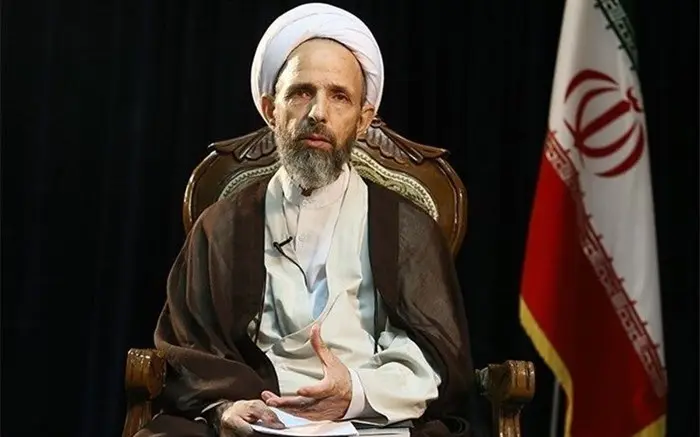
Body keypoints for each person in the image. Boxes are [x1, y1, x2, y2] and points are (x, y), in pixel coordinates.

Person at [135, 3, 476, 437]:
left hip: (371, 422)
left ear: (363, 120)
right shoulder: (222, 225)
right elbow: (189, 349)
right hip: (257, 418)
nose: (318, 112)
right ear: (270, 109)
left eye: (339, 96)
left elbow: (438, 358)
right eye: (300, 93)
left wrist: (355, 393)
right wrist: (225, 408)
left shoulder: (407, 229)